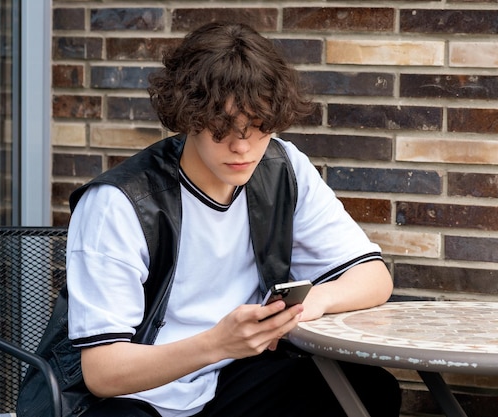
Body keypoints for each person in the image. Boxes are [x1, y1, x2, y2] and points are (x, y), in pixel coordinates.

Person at [65, 21, 401, 417]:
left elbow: (374, 277)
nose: (242, 147)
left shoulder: (283, 167)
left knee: (369, 390)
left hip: (228, 379)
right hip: (135, 397)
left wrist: (311, 304)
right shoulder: (119, 203)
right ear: (188, 116)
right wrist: (218, 343)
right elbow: (103, 373)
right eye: (222, 127)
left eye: (257, 127)